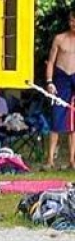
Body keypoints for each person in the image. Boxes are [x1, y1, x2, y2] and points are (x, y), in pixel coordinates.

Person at [45, 9, 75, 169]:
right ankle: (50, 160)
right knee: (56, 119)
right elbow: (50, 61)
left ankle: (72, 161)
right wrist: (50, 82)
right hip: (61, 77)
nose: (73, 24)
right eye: (71, 21)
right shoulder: (60, 38)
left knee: (74, 121)